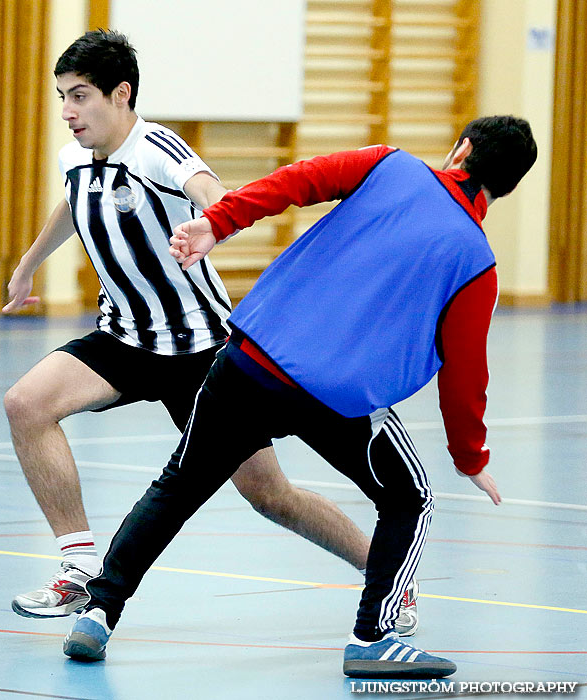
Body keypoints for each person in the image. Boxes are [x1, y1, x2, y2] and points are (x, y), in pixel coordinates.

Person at [62, 116, 537, 678]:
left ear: (462, 149)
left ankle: (99, 612)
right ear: (507, 187)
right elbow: (465, 373)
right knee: (409, 495)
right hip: (333, 397)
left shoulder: (388, 165)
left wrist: (217, 223)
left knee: (178, 486)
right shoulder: (477, 263)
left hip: (251, 358)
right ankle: (375, 638)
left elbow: (293, 181)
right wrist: (470, 456)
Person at [2, 29, 421, 632]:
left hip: (203, 351)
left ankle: (387, 579)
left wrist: (214, 225)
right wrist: (28, 265)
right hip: (124, 339)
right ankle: (78, 568)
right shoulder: (76, 155)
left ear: (121, 95)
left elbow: (213, 192)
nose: (68, 111)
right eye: (63, 96)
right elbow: (74, 201)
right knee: (25, 404)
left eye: (82, 96)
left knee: (269, 495)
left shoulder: (157, 150)